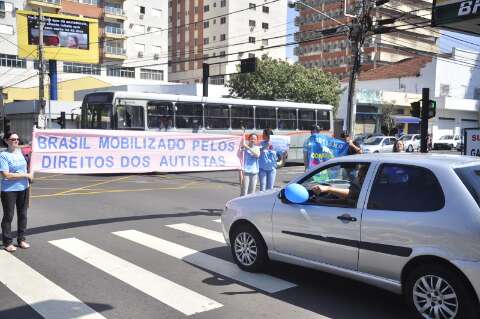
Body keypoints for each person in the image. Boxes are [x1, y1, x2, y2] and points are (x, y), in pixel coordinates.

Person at [0, 132, 34, 252]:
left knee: (23, 215)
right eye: (13, 139)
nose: (16, 141)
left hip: (24, 188)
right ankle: (7, 241)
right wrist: (26, 175)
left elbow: (29, 148)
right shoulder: (3, 155)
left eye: (17, 139)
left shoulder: (20, 152)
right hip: (9, 190)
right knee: (8, 216)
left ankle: (21, 239)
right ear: (6, 140)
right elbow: (6, 175)